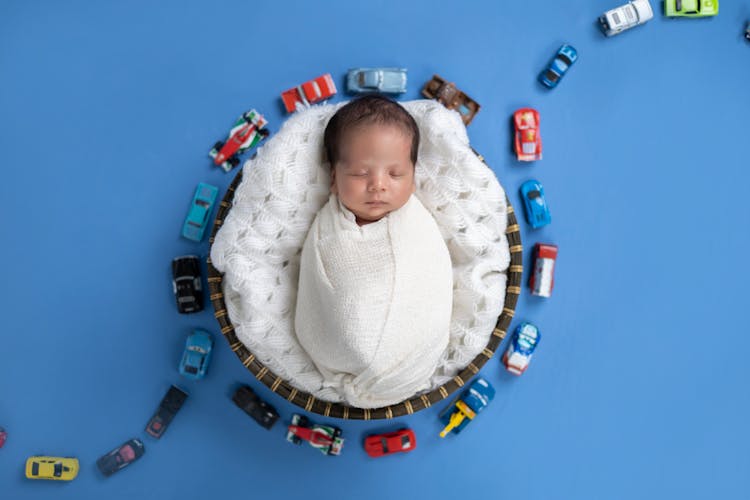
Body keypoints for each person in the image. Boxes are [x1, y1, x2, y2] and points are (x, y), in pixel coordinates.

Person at [293, 95, 454, 408]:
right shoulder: (328, 229)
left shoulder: (417, 225)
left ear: (413, 174)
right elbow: (324, 286)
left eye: (395, 174)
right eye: (359, 174)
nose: (378, 185)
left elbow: (430, 275)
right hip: (339, 347)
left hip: (407, 356)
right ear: (334, 178)